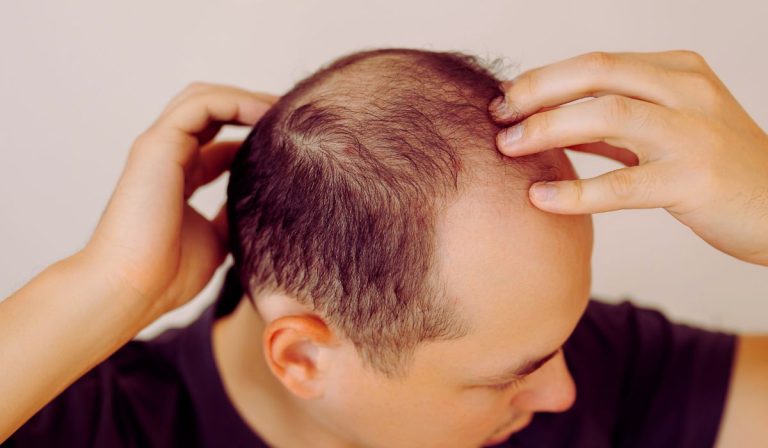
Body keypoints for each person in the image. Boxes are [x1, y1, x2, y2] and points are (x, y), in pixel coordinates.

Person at [0, 48, 766, 448]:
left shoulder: (596, 365)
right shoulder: (95, 426)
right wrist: (108, 287)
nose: (563, 392)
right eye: (510, 376)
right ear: (303, 358)